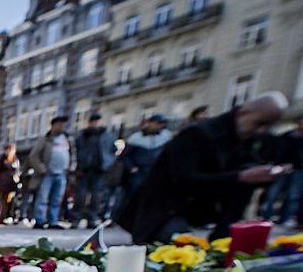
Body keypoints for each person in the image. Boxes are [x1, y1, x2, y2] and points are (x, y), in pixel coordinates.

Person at [119, 93, 291, 243]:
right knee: (175, 253)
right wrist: (241, 177)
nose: (261, 130)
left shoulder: (247, 141)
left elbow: (239, 186)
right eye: (259, 123)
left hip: (201, 212)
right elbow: (183, 179)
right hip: (165, 211)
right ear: (244, 112)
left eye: (268, 126)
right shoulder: (196, 134)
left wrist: (262, 177)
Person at [118, 114, 172, 218]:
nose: (159, 126)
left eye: (161, 124)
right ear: (150, 123)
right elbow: (125, 156)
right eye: (157, 124)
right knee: (134, 195)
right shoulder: (136, 138)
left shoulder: (165, 137)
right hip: (138, 172)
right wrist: (131, 168)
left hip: (154, 171)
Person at [29, 115, 76, 230]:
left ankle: (53, 221)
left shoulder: (68, 140)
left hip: (62, 173)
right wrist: (41, 168)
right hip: (47, 174)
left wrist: (71, 167)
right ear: (53, 126)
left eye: (63, 124)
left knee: (57, 199)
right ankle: (39, 220)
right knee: (43, 198)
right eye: (59, 124)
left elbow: (73, 155)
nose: (62, 127)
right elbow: (33, 156)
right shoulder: (45, 139)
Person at [73, 113, 117, 227]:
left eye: (97, 121)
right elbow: (76, 151)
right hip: (84, 169)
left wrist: (108, 164)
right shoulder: (82, 135)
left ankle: (93, 218)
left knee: (97, 196)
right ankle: (76, 218)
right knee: (80, 196)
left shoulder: (108, 135)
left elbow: (113, 151)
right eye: (93, 121)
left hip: (100, 169)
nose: (95, 124)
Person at [260, 117, 303, 226]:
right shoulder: (287, 136)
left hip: (298, 170)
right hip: (281, 168)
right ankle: (266, 218)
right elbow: (278, 150)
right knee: (272, 194)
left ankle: (285, 219)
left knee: (293, 196)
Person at [0, 144, 21, 222]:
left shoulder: (16, 160)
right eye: (9, 150)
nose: (10, 152)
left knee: (8, 202)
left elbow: (17, 172)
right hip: (1, 183)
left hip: (11, 184)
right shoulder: (1, 159)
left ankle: (4, 217)